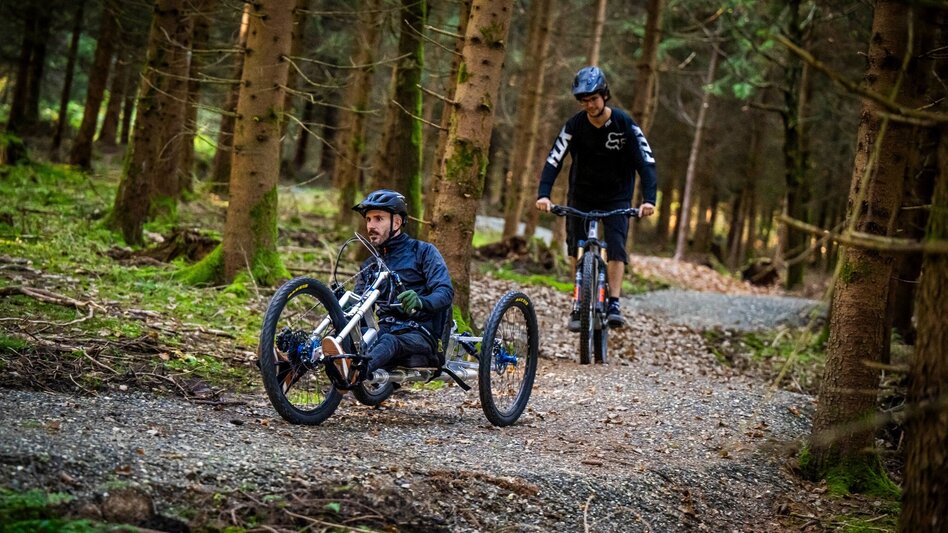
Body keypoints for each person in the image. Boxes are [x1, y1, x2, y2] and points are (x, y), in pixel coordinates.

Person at [535, 65, 657, 330]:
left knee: (616, 246)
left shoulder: (624, 123)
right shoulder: (574, 126)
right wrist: (543, 194)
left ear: (605, 95)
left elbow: (645, 161)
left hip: (617, 196)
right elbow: (554, 158)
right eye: (584, 100)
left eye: (593, 99)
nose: (589, 105)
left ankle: (614, 302)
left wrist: (649, 199)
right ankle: (578, 301)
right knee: (575, 246)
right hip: (582, 194)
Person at [322, 189, 454, 384]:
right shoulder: (370, 265)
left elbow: (445, 292)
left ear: (397, 222)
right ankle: (292, 364)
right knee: (340, 338)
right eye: (368, 219)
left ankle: (355, 373)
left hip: (420, 334)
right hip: (384, 331)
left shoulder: (423, 252)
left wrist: (420, 302)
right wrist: (343, 305)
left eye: (378, 219)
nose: (371, 226)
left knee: (388, 341)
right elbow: (360, 311)